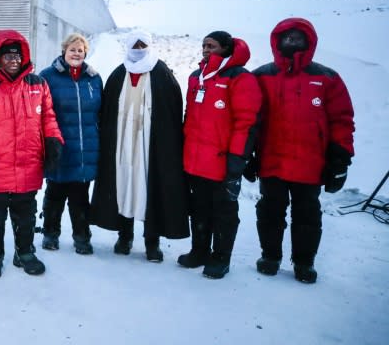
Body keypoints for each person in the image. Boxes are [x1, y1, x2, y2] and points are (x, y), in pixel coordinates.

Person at [248, 17, 354, 284]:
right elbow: (249, 118)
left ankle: (304, 262)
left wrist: (340, 160)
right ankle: (270, 256)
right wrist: (246, 154)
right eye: (287, 37)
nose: (292, 42)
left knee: (307, 215)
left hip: (310, 164)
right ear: (277, 41)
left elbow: (342, 120)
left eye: (297, 38)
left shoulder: (327, 77)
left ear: (309, 42)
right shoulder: (262, 76)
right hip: (272, 161)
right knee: (270, 212)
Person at [0, 29, 63, 278]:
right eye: (7, 56)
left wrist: (54, 141)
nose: (13, 60)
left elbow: (48, 117)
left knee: (26, 213)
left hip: (28, 163)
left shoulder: (38, 84)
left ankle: (24, 252)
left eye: (17, 55)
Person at [90, 30, 190, 261]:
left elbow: (172, 110)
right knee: (124, 186)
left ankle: (151, 242)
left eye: (143, 44)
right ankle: (125, 236)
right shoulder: (119, 74)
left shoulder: (161, 73)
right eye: (135, 44)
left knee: (149, 187)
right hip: (123, 142)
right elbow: (106, 113)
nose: (139, 48)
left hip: (151, 144)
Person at [178, 30, 262, 279]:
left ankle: (220, 257)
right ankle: (199, 251)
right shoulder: (197, 76)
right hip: (196, 159)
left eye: (211, 45)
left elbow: (246, 122)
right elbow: (189, 115)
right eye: (203, 45)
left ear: (226, 48)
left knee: (224, 211)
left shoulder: (240, 78)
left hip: (223, 160)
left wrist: (238, 159)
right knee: (199, 207)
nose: (206, 49)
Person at [39, 33, 103, 255]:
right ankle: (50, 234)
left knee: (80, 197)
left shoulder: (94, 78)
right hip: (59, 147)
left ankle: (82, 238)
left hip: (85, 149)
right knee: (55, 194)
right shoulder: (47, 77)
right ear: (64, 51)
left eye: (80, 50)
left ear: (85, 53)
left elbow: (101, 114)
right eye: (72, 49)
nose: (76, 53)